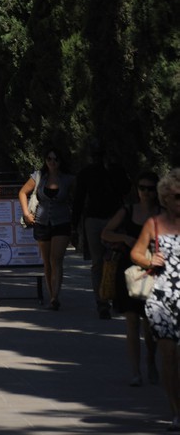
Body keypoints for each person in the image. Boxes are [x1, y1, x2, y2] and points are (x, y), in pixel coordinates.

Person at [131, 166, 180, 430]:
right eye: (176, 196)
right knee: (169, 356)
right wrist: (150, 258)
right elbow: (136, 254)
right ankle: (176, 410)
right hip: (162, 297)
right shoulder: (155, 225)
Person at [103, 170, 162, 386]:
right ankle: (136, 372)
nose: (146, 192)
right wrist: (125, 237)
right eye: (142, 188)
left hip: (155, 271)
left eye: (150, 188)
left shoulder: (162, 213)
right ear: (137, 190)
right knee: (131, 323)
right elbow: (106, 233)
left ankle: (150, 360)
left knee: (150, 326)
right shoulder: (127, 211)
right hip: (128, 271)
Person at [73, 142, 129, 319]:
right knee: (99, 262)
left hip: (113, 218)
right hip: (95, 219)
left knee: (113, 260)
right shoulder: (87, 173)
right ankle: (102, 302)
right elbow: (79, 199)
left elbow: (126, 189)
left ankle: (111, 298)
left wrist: (113, 170)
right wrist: (74, 225)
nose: (98, 159)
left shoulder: (114, 171)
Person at [19, 147, 76, 310]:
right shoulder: (38, 177)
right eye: (49, 159)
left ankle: (55, 297)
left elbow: (78, 198)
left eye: (55, 159)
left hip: (62, 222)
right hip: (42, 222)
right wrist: (26, 214)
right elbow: (22, 192)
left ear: (61, 161)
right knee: (47, 262)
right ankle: (51, 294)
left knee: (56, 259)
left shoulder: (68, 179)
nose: (52, 162)